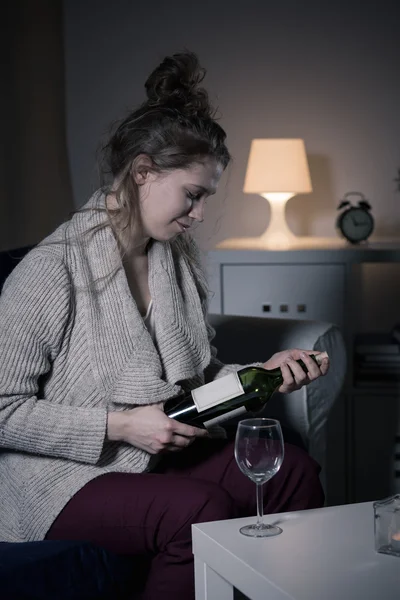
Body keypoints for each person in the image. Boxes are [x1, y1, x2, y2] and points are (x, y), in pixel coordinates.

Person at [0, 51, 329, 599]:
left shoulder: (176, 259)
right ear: (144, 172)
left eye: (205, 198)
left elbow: (198, 381)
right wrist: (122, 426)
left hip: (156, 456)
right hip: (58, 478)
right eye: (193, 195)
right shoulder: (51, 269)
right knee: (197, 509)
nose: (199, 214)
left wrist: (260, 375)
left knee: (294, 472)